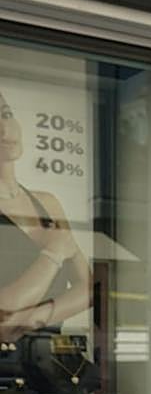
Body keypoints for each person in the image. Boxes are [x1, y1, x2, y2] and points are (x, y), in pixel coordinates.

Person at [0, 89, 91, 345]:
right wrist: (52, 254)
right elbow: (4, 321)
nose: (5, 130)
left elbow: (91, 289)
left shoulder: (47, 203)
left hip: (50, 363)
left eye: (6, 115)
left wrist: (34, 317)